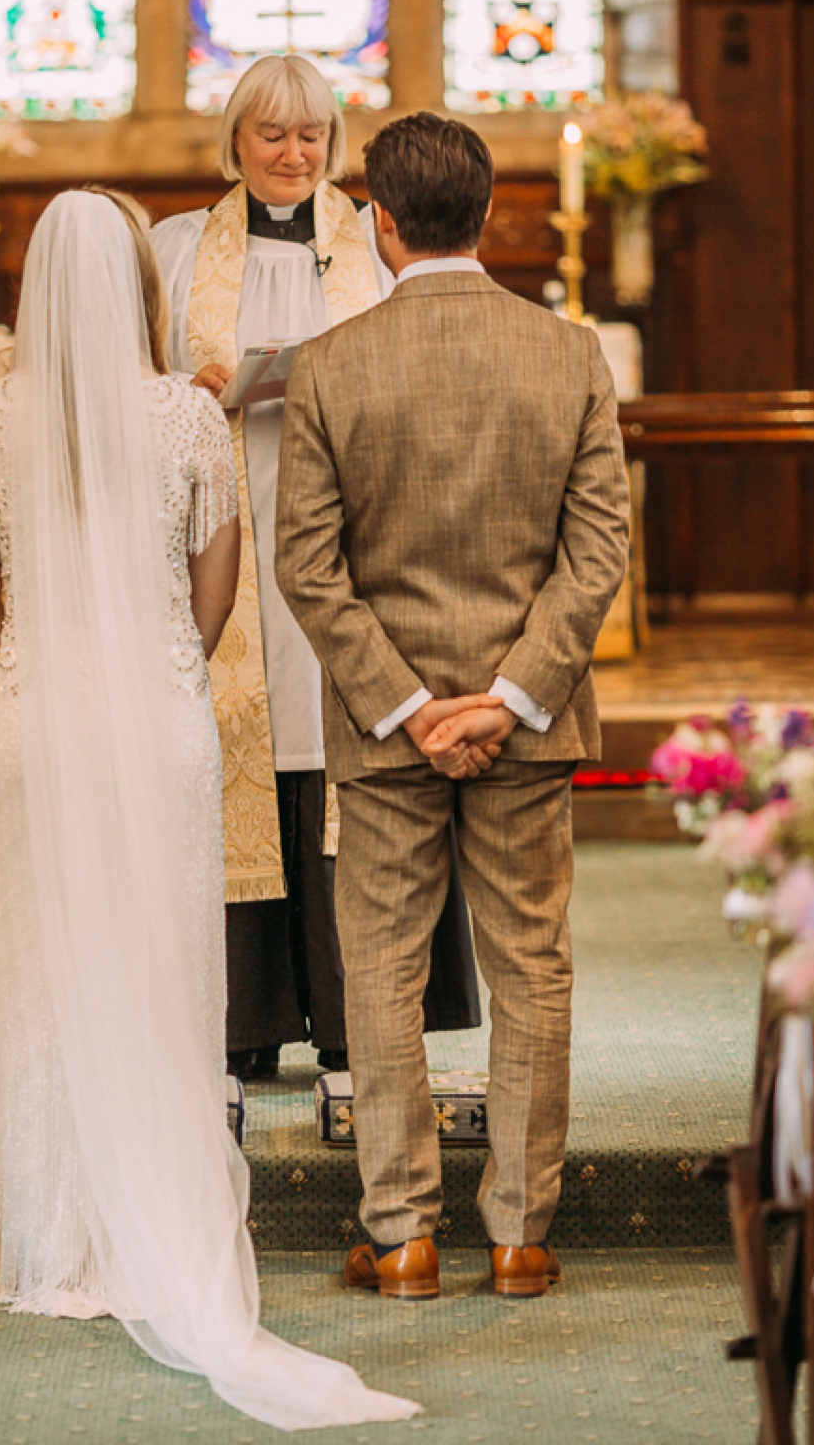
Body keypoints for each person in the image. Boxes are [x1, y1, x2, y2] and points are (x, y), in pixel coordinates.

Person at [0, 188, 417, 1428]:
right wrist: (159, 661)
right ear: (140, 290)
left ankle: (53, 1243)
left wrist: (34, 676)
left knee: (48, 960)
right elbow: (219, 595)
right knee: (160, 957)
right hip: (162, 719)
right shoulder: (191, 420)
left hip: (39, 719)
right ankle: (161, 1220)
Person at [275, 112, 631, 1302]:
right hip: (526, 729)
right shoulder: (570, 354)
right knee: (532, 964)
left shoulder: (330, 367)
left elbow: (309, 569)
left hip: (388, 737)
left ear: (379, 222)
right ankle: (522, 1235)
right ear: (488, 214)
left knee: (378, 966)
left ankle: (405, 1233)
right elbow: (599, 551)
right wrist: (513, 695)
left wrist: (412, 708)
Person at [153, 55, 480, 1079]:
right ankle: (244, 1020)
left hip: (353, 540)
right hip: (228, 538)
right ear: (235, 142)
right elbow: (136, 387)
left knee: (342, 748)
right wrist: (189, 389)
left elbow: (430, 363)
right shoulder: (174, 251)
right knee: (243, 740)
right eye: (273, 136)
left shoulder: (379, 246)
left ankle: (354, 1020)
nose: (295, 156)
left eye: (313, 138)